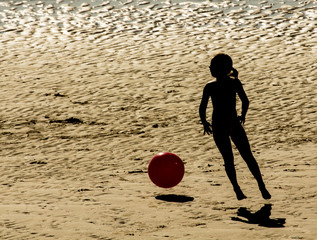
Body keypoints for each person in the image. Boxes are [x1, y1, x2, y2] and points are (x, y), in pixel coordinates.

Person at [199, 53, 271, 200]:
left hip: (219, 127)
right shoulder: (234, 82)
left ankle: (237, 189)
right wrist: (243, 115)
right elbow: (246, 101)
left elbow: (202, 107)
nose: (209, 68)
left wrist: (205, 122)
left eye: (212, 66)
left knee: (229, 160)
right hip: (233, 124)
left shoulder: (210, 86)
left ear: (218, 69)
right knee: (248, 156)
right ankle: (261, 185)